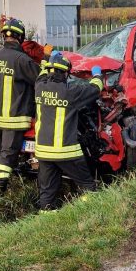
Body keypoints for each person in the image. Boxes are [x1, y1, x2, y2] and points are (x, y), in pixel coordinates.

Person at [0, 18, 39, 195]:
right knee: (8, 153)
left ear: (4, 36)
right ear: (20, 37)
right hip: (14, 117)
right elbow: (41, 79)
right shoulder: (22, 60)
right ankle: (0, 192)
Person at [34, 53, 104, 210]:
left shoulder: (39, 86)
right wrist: (97, 75)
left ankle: (47, 218)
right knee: (87, 185)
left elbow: (42, 72)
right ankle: (87, 210)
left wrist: (47, 58)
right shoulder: (70, 91)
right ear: (65, 73)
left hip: (43, 152)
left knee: (47, 193)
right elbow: (95, 89)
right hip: (65, 151)